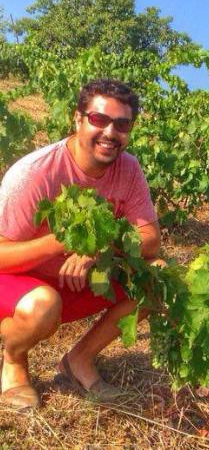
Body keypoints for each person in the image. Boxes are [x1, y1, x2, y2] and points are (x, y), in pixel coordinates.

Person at [0, 79, 162, 410]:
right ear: (78, 119)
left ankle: (79, 360)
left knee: (157, 278)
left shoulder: (128, 170)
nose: (110, 132)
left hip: (76, 283)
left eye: (122, 124)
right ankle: (14, 360)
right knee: (43, 305)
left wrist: (99, 248)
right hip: (20, 283)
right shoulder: (36, 173)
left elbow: (151, 241)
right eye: (99, 119)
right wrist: (61, 242)